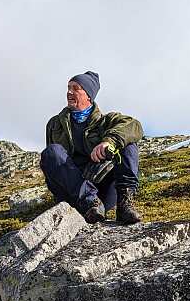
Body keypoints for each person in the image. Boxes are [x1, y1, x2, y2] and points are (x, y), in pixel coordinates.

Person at [40, 71, 143, 224]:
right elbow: (53, 166)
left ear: (88, 95)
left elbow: (135, 126)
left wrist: (108, 142)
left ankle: (124, 205)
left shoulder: (106, 121)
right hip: (73, 193)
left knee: (128, 143)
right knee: (51, 152)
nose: (69, 92)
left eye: (76, 88)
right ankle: (90, 202)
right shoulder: (54, 124)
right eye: (68, 88)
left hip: (103, 190)